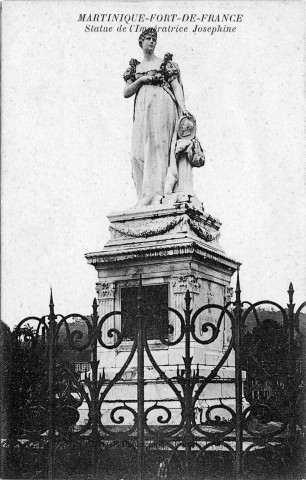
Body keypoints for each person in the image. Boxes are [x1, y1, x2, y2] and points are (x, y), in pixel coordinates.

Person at [123, 28, 190, 207]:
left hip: (162, 105)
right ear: (141, 42)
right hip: (142, 110)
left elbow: (176, 87)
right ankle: (143, 195)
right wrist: (142, 80)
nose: (152, 42)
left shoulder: (165, 64)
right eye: (149, 39)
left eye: (154, 39)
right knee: (137, 154)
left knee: (158, 148)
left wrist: (183, 108)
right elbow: (126, 92)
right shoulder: (135, 68)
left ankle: (157, 194)